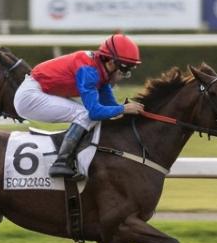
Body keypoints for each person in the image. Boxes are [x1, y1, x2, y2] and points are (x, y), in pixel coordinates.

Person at [13, 32, 145, 181]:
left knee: (90, 114)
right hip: (30, 96)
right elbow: (95, 112)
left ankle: (74, 157)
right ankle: (61, 162)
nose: (123, 76)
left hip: (44, 92)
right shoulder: (88, 70)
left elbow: (110, 107)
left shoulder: (102, 73)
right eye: (124, 70)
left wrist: (128, 110)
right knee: (85, 114)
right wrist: (123, 109)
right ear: (111, 62)